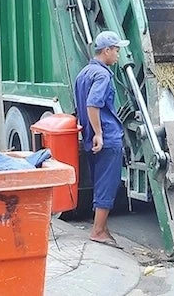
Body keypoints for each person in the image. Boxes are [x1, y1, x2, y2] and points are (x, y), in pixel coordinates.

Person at [74, 30, 130, 248]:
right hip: (106, 137)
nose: (118, 55)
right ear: (106, 50)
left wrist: (92, 134)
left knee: (100, 182)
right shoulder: (103, 75)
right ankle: (98, 231)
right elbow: (92, 103)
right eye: (116, 50)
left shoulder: (84, 73)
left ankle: (102, 227)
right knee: (108, 183)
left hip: (91, 138)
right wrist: (99, 133)